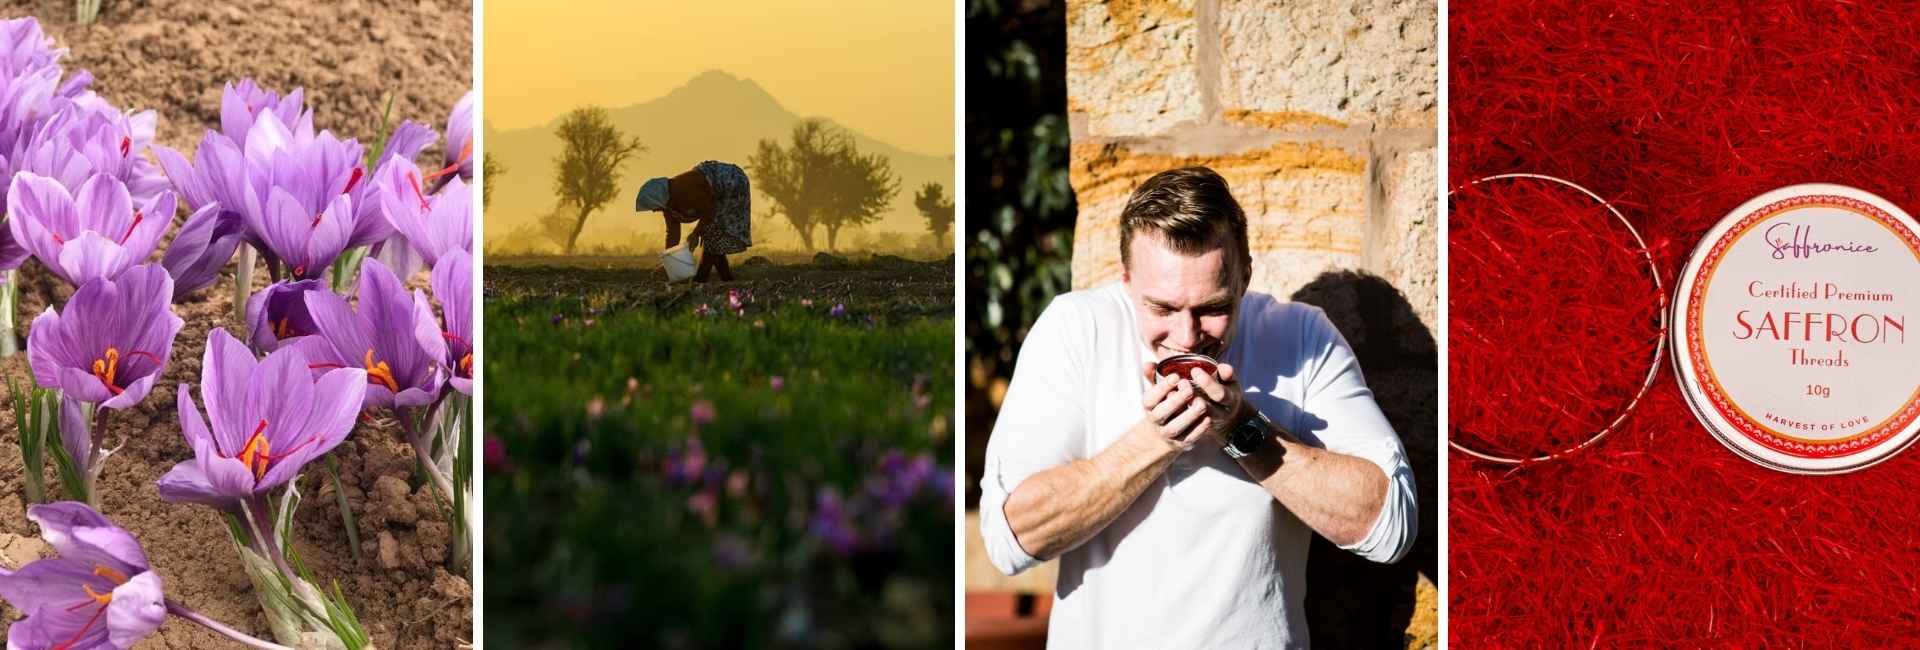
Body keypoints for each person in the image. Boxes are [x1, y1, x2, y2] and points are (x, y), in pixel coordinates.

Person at [978, 167, 1417, 648]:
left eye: (1212, 307)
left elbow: (1391, 526)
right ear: (1126, 281)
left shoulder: (1301, 337)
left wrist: (1241, 429)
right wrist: (1155, 441)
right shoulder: (1076, 329)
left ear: (1245, 274)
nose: (1187, 338)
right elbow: (1010, 539)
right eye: (1162, 309)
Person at [635, 160, 751, 282]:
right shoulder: (668, 207)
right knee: (713, 240)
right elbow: (673, 234)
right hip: (714, 196)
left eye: (654, 207)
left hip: (731, 183)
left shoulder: (684, 190)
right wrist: (670, 263)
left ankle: (701, 279)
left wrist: (696, 234)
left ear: (658, 200)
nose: (654, 211)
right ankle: (726, 279)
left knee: (711, 235)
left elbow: (708, 212)